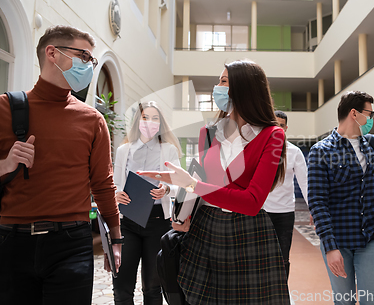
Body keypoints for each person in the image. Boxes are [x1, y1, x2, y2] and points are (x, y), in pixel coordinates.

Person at [139, 60, 290, 305]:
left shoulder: (272, 135)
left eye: (223, 81)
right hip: (205, 229)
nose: (216, 87)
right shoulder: (208, 133)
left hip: (248, 233)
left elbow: (252, 202)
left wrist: (191, 184)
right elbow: (198, 183)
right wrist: (179, 201)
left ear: (243, 87)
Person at [0, 25, 121, 304]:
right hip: (11, 242)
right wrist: (6, 164)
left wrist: (115, 238)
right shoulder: (6, 108)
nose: (89, 66)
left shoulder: (92, 120)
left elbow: (102, 183)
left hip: (71, 244)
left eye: (91, 60)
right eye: (83, 57)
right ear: (52, 53)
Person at [308, 91, 374, 305]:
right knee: (344, 301)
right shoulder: (320, 151)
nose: (371, 119)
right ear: (354, 113)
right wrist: (330, 247)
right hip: (338, 240)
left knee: (373, 301)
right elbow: (317, 202)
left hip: (372, 237)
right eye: (369, 113)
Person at [113, 101, 182, 304]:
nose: (150, 122)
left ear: (160, 124)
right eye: (145, 117)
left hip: (158, 221)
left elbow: (179, 182)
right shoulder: (124, 150)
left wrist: (167, 189)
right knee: (122, 287)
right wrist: (116, 193)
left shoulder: (168, 149)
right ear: (137, 122)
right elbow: (115, 184)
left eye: (155, 118)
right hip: (128, 221)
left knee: (153, 287)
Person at [263, 110, 308, 279]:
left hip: (285, 213)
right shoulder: (259, 148)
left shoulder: (294, 152)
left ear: (286, 128)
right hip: (261, 212)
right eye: (274, 125)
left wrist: (315, 211)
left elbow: (305, 183)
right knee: (261, 258)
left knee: (282, 259)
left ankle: (280, 294)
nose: (278, 128)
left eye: (281, 126)